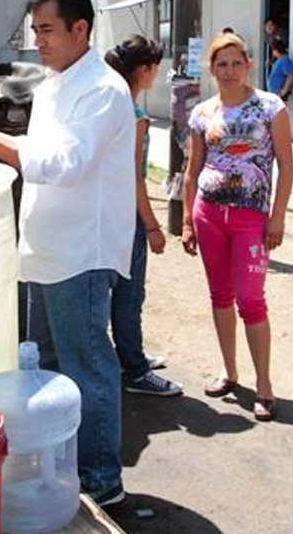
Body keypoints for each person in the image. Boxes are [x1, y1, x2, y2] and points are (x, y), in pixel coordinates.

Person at [0, 0, 134, 506]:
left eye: (48, 30)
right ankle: (60, 466)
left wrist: (0, 148)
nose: (39, 42)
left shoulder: (103, 89)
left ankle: (101, 478)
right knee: (47, 369)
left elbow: (69, 163)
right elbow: (39, 148)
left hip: (80, 254)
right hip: (44, 249)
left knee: (87, 368)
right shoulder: (56, 83)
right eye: (35, 30)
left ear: (81, 29)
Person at [182, 32, 293, 422]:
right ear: (212, 69)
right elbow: (192, 170)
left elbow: (286, 165)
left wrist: (278, 216)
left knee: (251, 298)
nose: (229, 71)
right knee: (220, 295)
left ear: (248, 64)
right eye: (221, 64)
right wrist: (187, 220)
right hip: (209, 215)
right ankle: (230, 372)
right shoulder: (202, 114)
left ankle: (264, 385)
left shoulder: (270, 107)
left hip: (251, 219)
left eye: (236, 62)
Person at [103, 35, 183, 397]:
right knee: (130, 295)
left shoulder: (114, 105)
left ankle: (130, 354)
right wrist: (152, 226)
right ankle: (135, 370)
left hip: (109, 210)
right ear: (145, 70)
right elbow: (135, 177)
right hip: (129, 214)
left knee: (123, 293)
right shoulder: (133, 115)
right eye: (155, 67)